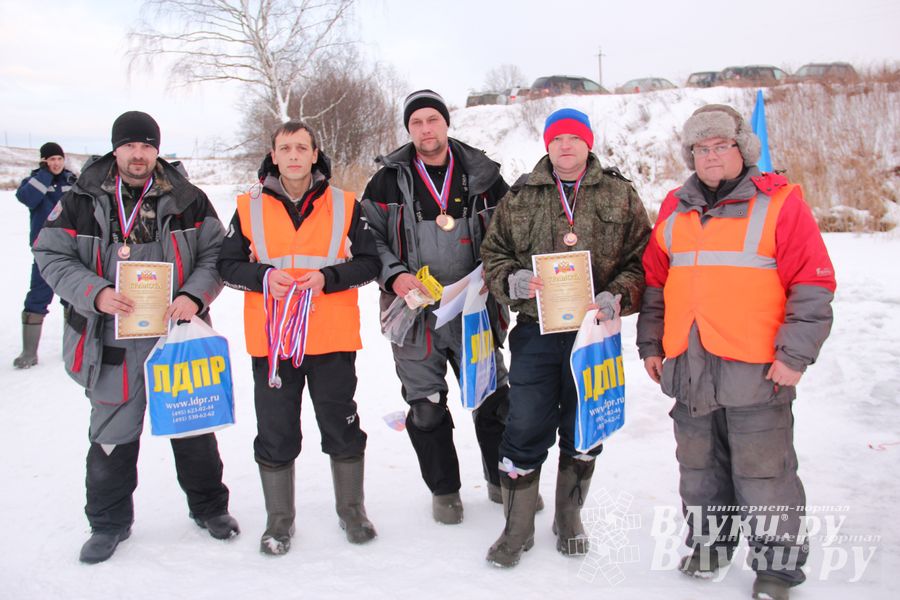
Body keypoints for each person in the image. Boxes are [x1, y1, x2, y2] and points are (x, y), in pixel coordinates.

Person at [636, 104, 836, 600]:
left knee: (765, 472)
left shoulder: (780, 203)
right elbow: (656, 284)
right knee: (698, 468)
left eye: (720, 146)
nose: (710, 157)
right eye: (700, 149)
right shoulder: (673, 207)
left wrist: (795, 355)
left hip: (757, 367)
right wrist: (652, 344)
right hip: (688, 364)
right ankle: (709, 545)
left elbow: (812, 286)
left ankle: (777, 569)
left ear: (742, 149)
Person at [33, 111, 239, 564]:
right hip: (110, 337)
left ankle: (210, 509)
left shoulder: (188, 198)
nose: (139, 154)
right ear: (115, 148)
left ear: (156, 149)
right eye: (130, 146)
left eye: (147, 145)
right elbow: (49, 252)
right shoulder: (81, 198)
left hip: (176, 334)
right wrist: (96, 292)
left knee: (193, 426)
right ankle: (108, 524)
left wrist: (194, 295)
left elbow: (216, 253)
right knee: (112, 433)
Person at [480, 107, 651, 567]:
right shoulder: (521, 196)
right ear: (547, 144)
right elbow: (493, 253)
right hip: (536, 332)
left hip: (594, 334)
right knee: (524, 425)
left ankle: (569, 517)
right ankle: (517, 530)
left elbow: (642, 260)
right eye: (558, 139)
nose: (566, 146)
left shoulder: (620, 194)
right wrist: (511, 280)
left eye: (575, 138)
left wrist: (618, 294)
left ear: (589, 143)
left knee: (585, 426)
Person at [217, 121, 380, 555]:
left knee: (342, 428)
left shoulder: (345, 204)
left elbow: (369, 262)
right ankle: (279, 522)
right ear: (273, 155)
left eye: (301, 148)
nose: (293, 155)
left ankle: (352, 511)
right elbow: (227, 264)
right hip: (273, 343)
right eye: (284, 148)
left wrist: (328, 278)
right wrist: (262, 277)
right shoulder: (248, 207)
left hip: (331, 338)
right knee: (275, 432)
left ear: (314, 154)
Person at [361, 89, 517, 525]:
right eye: (416, 123)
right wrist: (394, 274)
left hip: (474, 309)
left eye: (432, 120)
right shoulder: (387, 180)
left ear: (446, 123)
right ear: (408, 130)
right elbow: (366, 238)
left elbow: (510, 228)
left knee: (492, 400)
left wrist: (496, 269)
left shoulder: (482, 174)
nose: (425, 129)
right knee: (426, 407)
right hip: (415, 315)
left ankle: (501, 480)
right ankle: (444, 491)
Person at [14, 142, 77, 368]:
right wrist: (44, 175)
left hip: (72, 250)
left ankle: (72, 349)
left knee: (72, 300)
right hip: (45, 252)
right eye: (51, 159)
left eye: (59, 159)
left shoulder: (72, 181)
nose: (56, 163)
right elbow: (27, 198)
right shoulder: (35, 182)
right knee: (38, 297)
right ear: (44, 161)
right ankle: (29, 353)